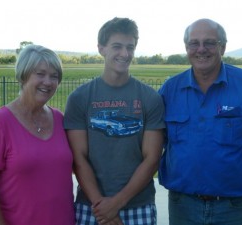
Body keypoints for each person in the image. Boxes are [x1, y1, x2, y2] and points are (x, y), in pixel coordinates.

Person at [158, 18, 242, 225]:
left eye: (210, 42)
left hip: (233, 208)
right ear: (187, 47)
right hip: (182, 206)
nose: (201, 49)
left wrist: (234, 172)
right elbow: (159, 142)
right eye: (194, 43)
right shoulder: (170, 90)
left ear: (223, 47)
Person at [64, 17, 165, 225]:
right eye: (117, 46)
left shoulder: (149, 98)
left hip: (138, 205)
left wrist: (116, 204)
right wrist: (103, 207)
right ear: (101, 48)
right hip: (91, 205)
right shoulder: (80, 97)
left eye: (130, 47)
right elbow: (79, 157)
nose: (125, 54)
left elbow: (152, 158)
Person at [0, 44, 75, 225]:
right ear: (23, 75)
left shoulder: (60, 120)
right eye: (40, 74)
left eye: (54, 76)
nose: (48, 82)